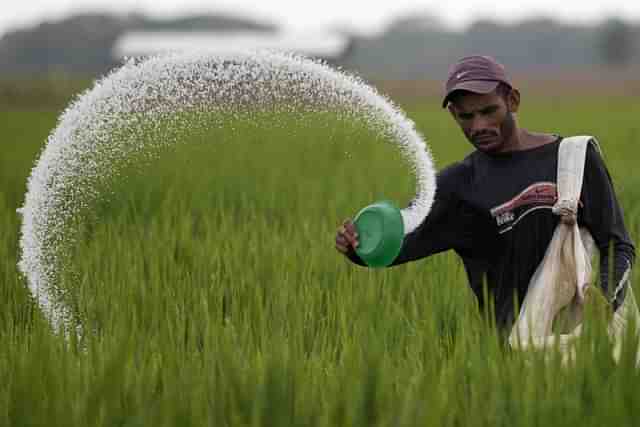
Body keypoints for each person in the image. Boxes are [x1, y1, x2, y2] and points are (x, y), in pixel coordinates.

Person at [335, 55, 635, 330]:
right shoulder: (457, 186)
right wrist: (356, 247)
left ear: (513, 101)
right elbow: (399, 246)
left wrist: (605, 304)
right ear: (453, 114)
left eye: (489, 111)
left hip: (581, 339)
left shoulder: (573, 159)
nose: (479, 125)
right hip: (511, 352)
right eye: (466, 117)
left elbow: (617, 244)